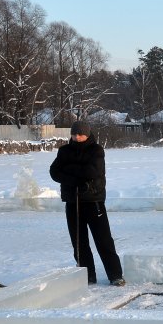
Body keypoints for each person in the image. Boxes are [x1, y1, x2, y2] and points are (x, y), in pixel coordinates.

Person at [49, 120, 125, 286]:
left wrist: (69, 170)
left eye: (80, 134)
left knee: (103, 240)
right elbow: (54, 172)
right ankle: (87, 275)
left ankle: (115, 275)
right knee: (79, 242)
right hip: (72, 201)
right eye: (74, 134)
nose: (77, 137)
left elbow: (93, 171)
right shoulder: (64, 151)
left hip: (93, 200)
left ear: (87, 134)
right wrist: (75, 179)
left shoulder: (96, 150)